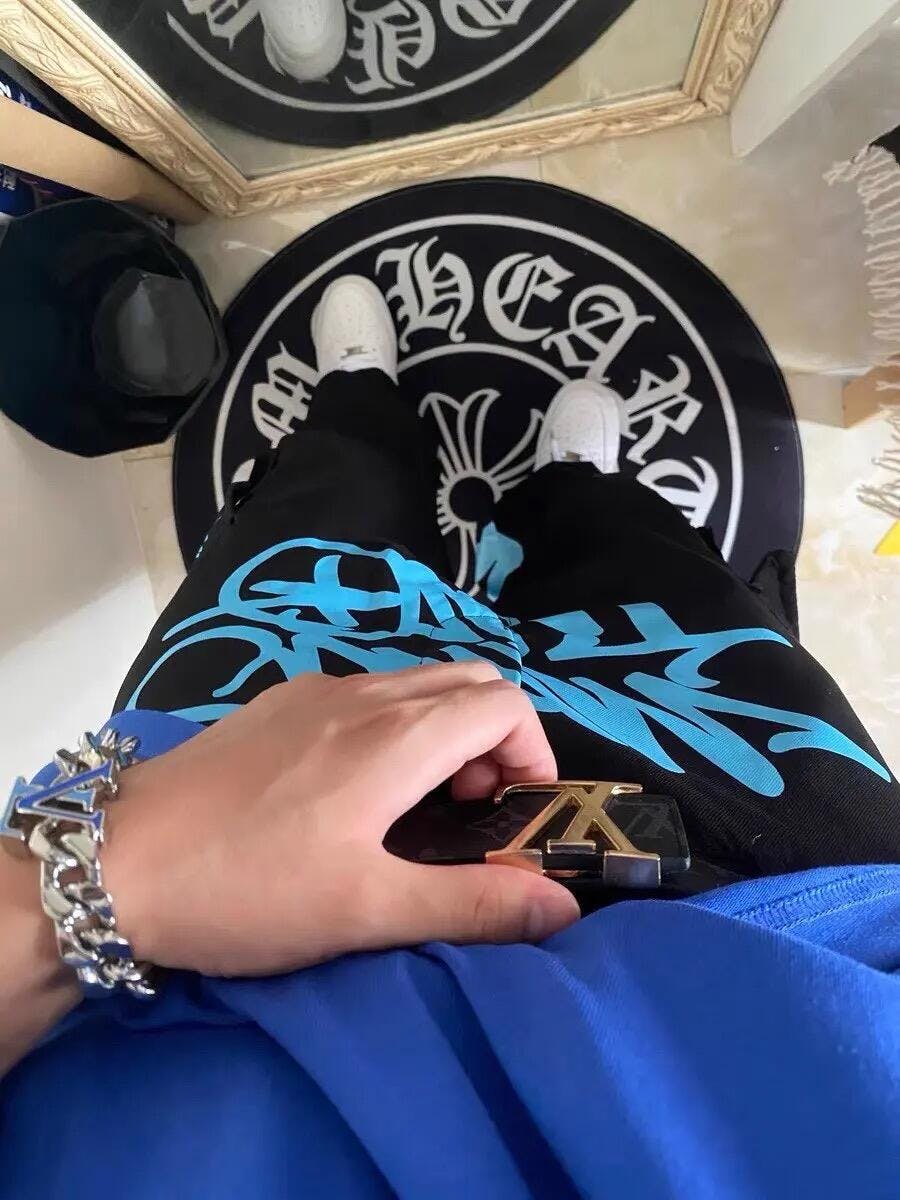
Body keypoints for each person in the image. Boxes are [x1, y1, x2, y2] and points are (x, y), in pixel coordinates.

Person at [1, 276, 898, 1199]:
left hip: (187, 924)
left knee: (314, 531)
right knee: (664, 590)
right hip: (811, 903)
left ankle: (361, 406)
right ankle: (578, 489)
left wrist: (96, 879)